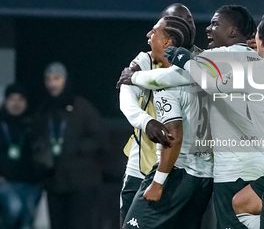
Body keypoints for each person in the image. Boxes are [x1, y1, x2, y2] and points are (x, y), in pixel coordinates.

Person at [167, 9, 264, 228]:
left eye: (258, 34)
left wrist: (186, 62)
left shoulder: (252, 73)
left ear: (263, 40)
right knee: (241, 203)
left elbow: (212, 85)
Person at [118, 5, 264, 229]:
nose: (207, 28)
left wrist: (135, 77)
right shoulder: (253, 60)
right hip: (223, 174)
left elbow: (174, 133)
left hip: (183, 171)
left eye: (215, 24)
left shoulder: (189, 68)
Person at [122, 15, 213, 229]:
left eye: (154, 31)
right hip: (205, 177)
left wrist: (158, 182)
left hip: (177, 172)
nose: (148, 35)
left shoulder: (165, 84)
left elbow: (174, 137)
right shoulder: (203, 71)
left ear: (167, 42)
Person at [32, 62, 110, 229]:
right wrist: (41, 154)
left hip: (82, 181)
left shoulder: (82, 107)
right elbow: (37, 138)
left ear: (65, 80)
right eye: (48, 79)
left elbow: (101, 139)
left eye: (57, 78)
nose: (52, 84)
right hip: (55, 181)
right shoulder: (44, 109)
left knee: (79, 225)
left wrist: (77, 148)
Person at [0, 83, 42, 229]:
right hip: (6, 182)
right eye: (12, 99)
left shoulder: (33, 124)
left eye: (20, 100)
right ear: (6, 101)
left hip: (31, 182)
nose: (16, 104)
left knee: (27, 220)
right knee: (13, 209)